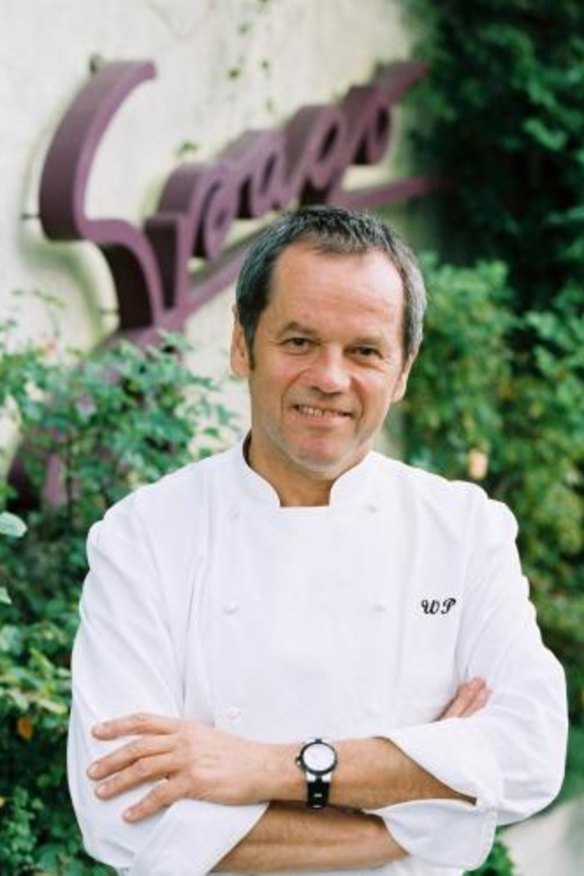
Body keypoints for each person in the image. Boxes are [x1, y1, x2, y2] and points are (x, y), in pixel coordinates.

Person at [68, 206, 568, 876]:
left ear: (403, 370)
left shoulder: (463, 529)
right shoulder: (144, 538)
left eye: (364, 351)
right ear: (242, 345)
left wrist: (262, 767)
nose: (331, 378)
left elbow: (529, 754)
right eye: (299, 342)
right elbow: (125, 813)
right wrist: (422, 819)